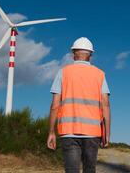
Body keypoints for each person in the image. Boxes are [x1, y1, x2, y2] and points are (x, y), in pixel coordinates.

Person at [47, 37, 111, 173]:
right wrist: (107, 133)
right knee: (89, 169)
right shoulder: (100, 74)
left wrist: (51, 132)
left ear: (73, 54)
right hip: (93, 133)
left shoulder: (63, 72)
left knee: (71, 170)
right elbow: (105, 104)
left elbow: (54, 105)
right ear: (91, 55)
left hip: (68, 132)